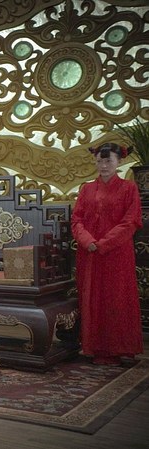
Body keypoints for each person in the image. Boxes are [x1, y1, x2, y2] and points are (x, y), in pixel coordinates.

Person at [71, 142, 143, 366]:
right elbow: (76, 220)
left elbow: (131, 221)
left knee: (116, 298)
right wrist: (88, 241)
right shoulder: (87, 189)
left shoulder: (129, 188)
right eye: (100, 161)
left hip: (116, 254)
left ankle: (117, 348)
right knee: (91, 297)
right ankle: (93, 346)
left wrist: (104, 243)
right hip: (89, 253)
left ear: (119, 161)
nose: (103, 165)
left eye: (108, 161)